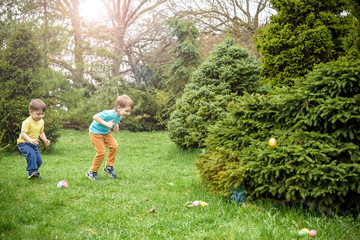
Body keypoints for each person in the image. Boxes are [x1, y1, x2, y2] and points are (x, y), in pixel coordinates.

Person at [86, 94, 134, 180]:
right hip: (95, 132)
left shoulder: (120, 115)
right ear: (118, 108)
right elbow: (95, 117)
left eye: (129, 111)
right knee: (101, 152)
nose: (128, 113)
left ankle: (108, 167)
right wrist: (106, 124)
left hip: (105, 132)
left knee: (114, 146)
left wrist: (116, 126)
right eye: (126, 111)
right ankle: (92, 172)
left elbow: (116, 120)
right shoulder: (109, 113)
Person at [17, 99, 50, 179]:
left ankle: (34, 174)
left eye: (43, 114)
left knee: (39, 161)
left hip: (34, 144)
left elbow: (41, 132)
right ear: (30, 112)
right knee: (31, 155)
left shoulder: (41, 121)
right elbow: (23, 133)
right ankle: (32, 172)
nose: (41, 116)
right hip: (24, 143)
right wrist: (30, 140)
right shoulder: (27, 122)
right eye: (38, 114)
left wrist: (45, 140)